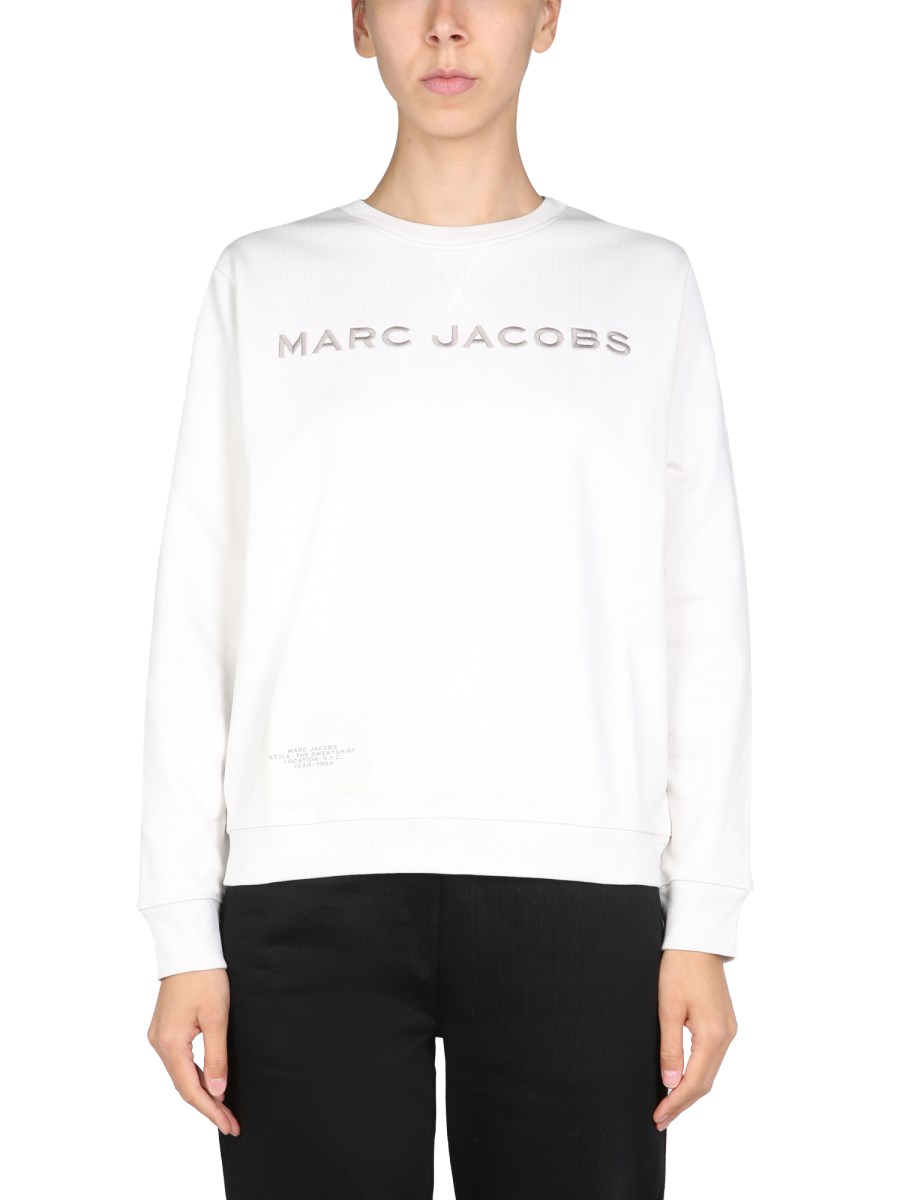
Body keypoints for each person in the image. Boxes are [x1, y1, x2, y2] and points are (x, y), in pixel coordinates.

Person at [138, 2, 752, 1196]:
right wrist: (179, 929)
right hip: (303, 877)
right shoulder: (263, 281)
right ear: (360, 23)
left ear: (547, 17)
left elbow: (704, 608)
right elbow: (198, 605)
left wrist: (706, 919)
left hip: (580, 879)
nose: (449, 26)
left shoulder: (645, 285)